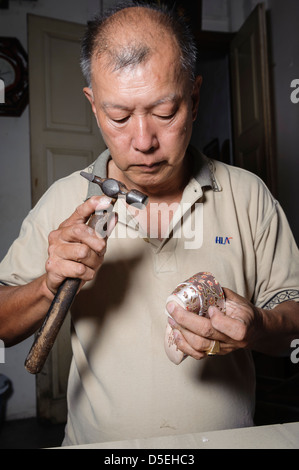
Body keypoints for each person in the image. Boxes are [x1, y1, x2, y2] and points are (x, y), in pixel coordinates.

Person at [0, 1, 299, 446]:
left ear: (194, 99)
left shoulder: (248, 194)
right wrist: (47, 285)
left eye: (164, 112)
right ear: (94, 107)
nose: (143, 142)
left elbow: (292, 318)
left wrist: (256, 325)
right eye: (118, 117)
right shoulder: (64, 201)